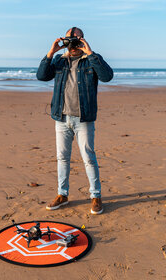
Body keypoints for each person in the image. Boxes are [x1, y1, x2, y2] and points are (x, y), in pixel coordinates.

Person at [36, 27, 113, 215]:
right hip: (61, 118)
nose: (73, 45)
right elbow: (41, 76)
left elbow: (107, 76)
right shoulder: (59, 60)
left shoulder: (91, 60)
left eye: (77, 40)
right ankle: (62, 195)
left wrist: (91, 53)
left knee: (88, 157)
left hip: (83, 118)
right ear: (65, 42)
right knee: (62, 158)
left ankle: (95, 196)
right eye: (70, 41)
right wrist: (51, 51)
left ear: (82, 40)